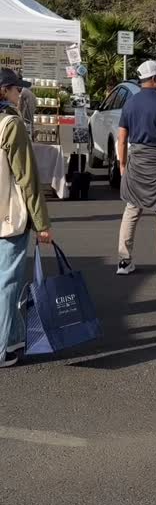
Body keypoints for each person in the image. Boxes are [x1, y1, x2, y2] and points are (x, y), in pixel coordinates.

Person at [0, 68, 53, 367]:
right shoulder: (10, 124)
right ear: (5, 90)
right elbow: (27, 178)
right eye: (17, 90)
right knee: (7, 282)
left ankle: (15, 336)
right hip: (8, 216)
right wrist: (42, 224)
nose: (20, 94)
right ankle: (2, 346)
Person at [116, 59, 156, 279]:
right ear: (154, 79)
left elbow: (122, 138)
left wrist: (122, 164)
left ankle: (124, 261)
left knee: (132, 210)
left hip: (136, 160)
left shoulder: (130, 102)